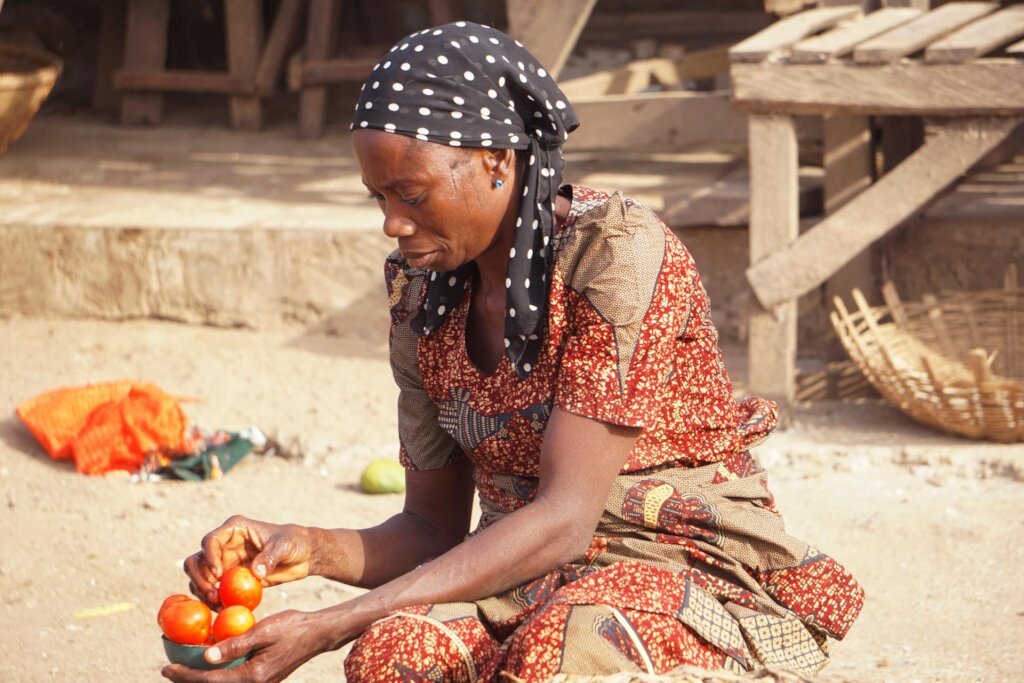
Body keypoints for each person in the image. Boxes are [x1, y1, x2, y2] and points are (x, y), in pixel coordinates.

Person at [162, 22, 863, 683]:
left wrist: (332, 621)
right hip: (518, 580)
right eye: (377, 197)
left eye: (410, 193)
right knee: (392, 654)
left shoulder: (617, 256)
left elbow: (564, 519)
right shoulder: (420, 293)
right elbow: (431, 527)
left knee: (562, 649)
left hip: (680, 566)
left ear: (499, 159)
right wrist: (305, 546)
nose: (392, 223)